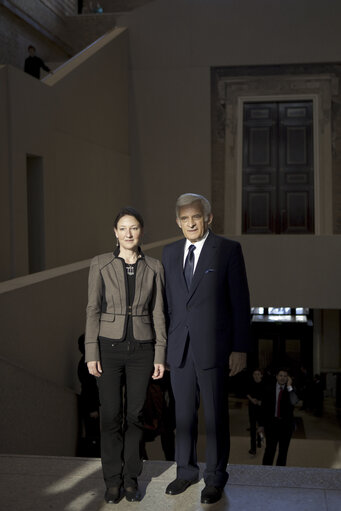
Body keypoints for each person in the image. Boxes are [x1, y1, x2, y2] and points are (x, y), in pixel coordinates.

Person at [162, 193, 251, 504]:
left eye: (196, 217)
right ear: (177, 222)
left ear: (208, 218)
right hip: (179, 349)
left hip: (214, 349)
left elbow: (241, 303)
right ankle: (185, 473)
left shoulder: (227, 250)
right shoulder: (169, 253)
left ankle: (214, 478)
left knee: (214, 417)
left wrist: (239, 348)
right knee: (182, 416)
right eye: (184, 219)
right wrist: (163, 349)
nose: (190, 223)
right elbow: (167, 305)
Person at [85, 207, 166, 503]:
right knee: (110, 416)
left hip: (143, 351)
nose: (128, 233)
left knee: (135, 416)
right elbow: (93, 309)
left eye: (133, 228)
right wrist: (91, 351)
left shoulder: (155, 267)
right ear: (115, 233)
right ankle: (112, 480)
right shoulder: (101, 264)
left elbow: (159, 313)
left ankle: (131, 479)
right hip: (108, 348)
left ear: (141, 232)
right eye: (123, 228)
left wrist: (160, 354)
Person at [259, 368, 299, 466]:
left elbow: (294, 401)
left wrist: (289, 386)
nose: (282, 378)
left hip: (286, 426)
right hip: (272, 424)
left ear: (288, 378)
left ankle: (280, 474)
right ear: (276, 376)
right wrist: (261, 425)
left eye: (285, 376)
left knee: (283, 452)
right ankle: (265, 472)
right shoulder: (268, 388)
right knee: (270, 450)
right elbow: (263, 409)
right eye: (280, 375)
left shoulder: (291, 389)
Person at [77, 334, 100, 457]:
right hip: (90, 404)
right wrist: (93, 408)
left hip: (90, 403)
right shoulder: (87, 364)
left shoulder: (85, 362)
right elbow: (89, 387)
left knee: (92, 432)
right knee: (92, 433)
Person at [246, 368, 264, 456]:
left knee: (260, 426)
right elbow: (246, 393)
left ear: (261, 375)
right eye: (254, 374)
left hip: (261, 408)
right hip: (252, 407)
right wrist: (252, 399)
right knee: (252, 428)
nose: (256, 376)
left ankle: (259, 440)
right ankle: (253, 449)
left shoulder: (264, 384)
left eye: (258, 374)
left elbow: (267, 395)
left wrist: (261, 401)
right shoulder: (250, 383)